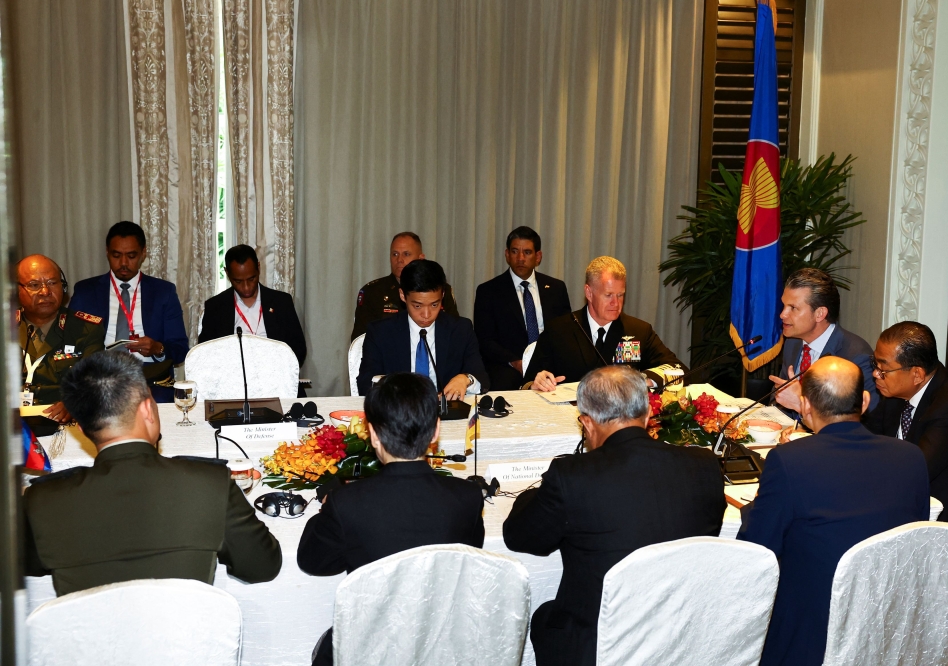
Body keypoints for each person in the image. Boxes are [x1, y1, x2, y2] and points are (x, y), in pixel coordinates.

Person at [504, 366, 726, 666]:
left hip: (598, 646)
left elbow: (521, 538)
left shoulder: (573, 477)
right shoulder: (705, 466)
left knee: (545, 617)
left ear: (586, 422)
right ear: (648, 414)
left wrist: (540, 490)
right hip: (680, 638)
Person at [23, 352, 282, 596]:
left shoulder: (44, 499)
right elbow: (260, 567)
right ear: (147, 410)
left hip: (89, 643)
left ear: (80, 426)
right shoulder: (209, 483)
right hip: (185, 640)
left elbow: (25, 564)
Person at [738, 356, 929, 666]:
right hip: (888, 625)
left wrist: (752, 510)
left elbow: (759, 550)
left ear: (805, 405)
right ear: (865, 401)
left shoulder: (789, 461)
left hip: (811, 633)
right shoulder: (910, 457)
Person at [298, 372, 485, 666]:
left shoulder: (348, 503)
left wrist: (327, 506)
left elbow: (312, 561)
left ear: (372, 434)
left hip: (368, 649)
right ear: (436, 431)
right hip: (440, 645)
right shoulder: (468, 497)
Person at [865, 321, 948, 586]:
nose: (876, 375)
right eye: (875, 365)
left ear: (916, 373)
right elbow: (868, 441)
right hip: (911, 513)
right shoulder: (896, 395)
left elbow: (914, 473)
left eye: (883, 369)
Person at [68, 221, 190, 401]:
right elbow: (71, 345)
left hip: (150, 381)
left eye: (131, 256)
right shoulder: (86, 291)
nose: (123, 263)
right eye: (117, 255)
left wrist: (157, 348)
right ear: (107, 252)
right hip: (101, 380)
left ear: (143, 253)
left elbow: (180, 349)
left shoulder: (163, 292)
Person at [525, 256, 684, 391]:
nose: (616, 303)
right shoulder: (558, 330)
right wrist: (536, 383)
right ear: (589, 292)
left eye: (620, 295)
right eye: (608, 295)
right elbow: (526, 382)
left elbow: (678, 370)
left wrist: (643, 379)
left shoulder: (639, 330)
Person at [356, 259, 489, 398]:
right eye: (417, 306)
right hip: (399, 412)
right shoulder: (380, 332)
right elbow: (365, 383)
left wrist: (465, 379)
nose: (426, 315)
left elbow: (482, 378)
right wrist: (396, 387)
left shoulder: (460, 330)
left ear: (442, 295)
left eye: (434, 305)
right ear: (402, 295)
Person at [473, 226, 572, 390]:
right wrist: (516, 362)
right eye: (514, 251)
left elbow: (565, 332)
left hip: (549, 364)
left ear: (538, 256)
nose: (520, 258)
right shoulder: (488, 291)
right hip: (508, 367)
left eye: (527, 252)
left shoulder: (556, 288)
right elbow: (485, 340)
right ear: (507, 255)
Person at [769, 268, 878, 415]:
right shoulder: (792, 343)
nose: (782, 314)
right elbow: (780, 398)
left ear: (820, 314)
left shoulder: (856, 357)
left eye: (793, 308)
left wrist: (802, 406)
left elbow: (863, 419)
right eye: (784, 306)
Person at [17, 255, 105, 423]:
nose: (45, 292)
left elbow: (95, 381)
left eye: (52, 283)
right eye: (34, 285)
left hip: (64, 422)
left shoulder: (86, 328)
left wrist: (75, 401)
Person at [198, 244, 307, 366]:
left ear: (258, 268)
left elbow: (298, 350)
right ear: (227, 273)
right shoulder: (216, 307)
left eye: (251, 279)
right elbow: (205, 354)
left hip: (274, 376)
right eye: (238, 281)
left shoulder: (281, 302)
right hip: (232, 379)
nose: (246, 287)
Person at [350, 231, 460, 340]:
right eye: (395, 254)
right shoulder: (373, 292)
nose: (399, 260)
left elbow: (453, 331)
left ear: (421, 258)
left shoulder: (438, 288)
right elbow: (360, 340)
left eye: (406, 254)